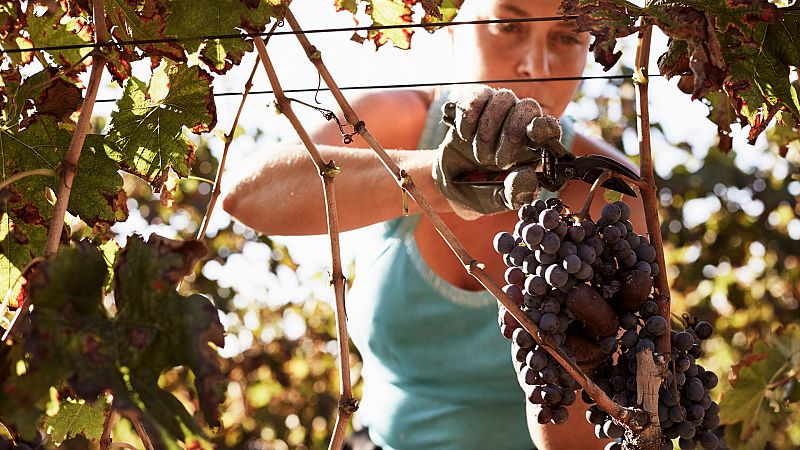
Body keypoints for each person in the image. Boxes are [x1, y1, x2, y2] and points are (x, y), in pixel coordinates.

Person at [222, 0, 643, 449]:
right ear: (452, 26)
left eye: (565, 38)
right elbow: (247, 195)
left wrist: (583, 362)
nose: (533, 65)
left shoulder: (606, 193)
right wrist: (439, 180)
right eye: (507, 26)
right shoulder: (398, 124)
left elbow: (579, 440)